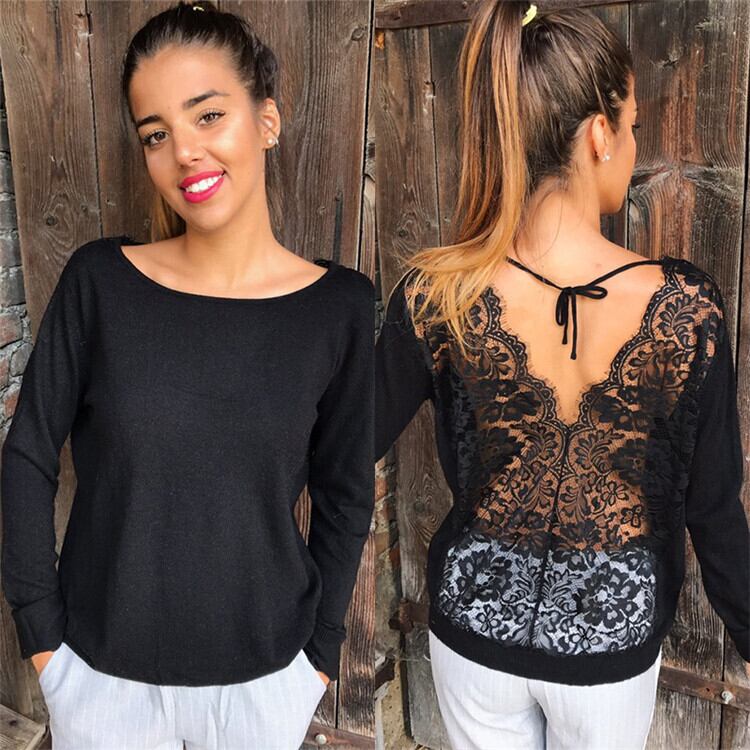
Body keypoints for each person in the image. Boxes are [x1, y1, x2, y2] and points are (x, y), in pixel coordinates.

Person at [375, 2, 749, 749]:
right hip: (608, 649)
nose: (633, 145)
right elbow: (713, 512)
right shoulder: (686, 308)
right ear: (599, 133)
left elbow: (339, 446)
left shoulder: (438, 293)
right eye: (633, 125)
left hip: (472, 633)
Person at [1, 2, 374, 748]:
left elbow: (345, 493)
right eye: (156, 134)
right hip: (100, 684)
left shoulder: (339, 308)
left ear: (267, 120)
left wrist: (317, 658)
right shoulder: (100, 283)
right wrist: (44, 640)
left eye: (208, 116)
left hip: (266, 684)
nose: (184, 153)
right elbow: (28, 454)